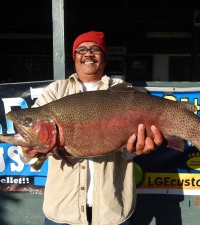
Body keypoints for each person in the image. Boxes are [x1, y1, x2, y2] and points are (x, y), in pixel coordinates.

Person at [20, 31, 163, 225]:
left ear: (104, 58)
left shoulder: (124, 90)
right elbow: (33, 135)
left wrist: (133, 151)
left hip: (112, 212)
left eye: (95, 49)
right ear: (74, 57)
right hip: (62, 213)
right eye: (82, 49)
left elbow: (130, 152)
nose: (88, 54)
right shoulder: (55, 91)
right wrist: (28, 151)